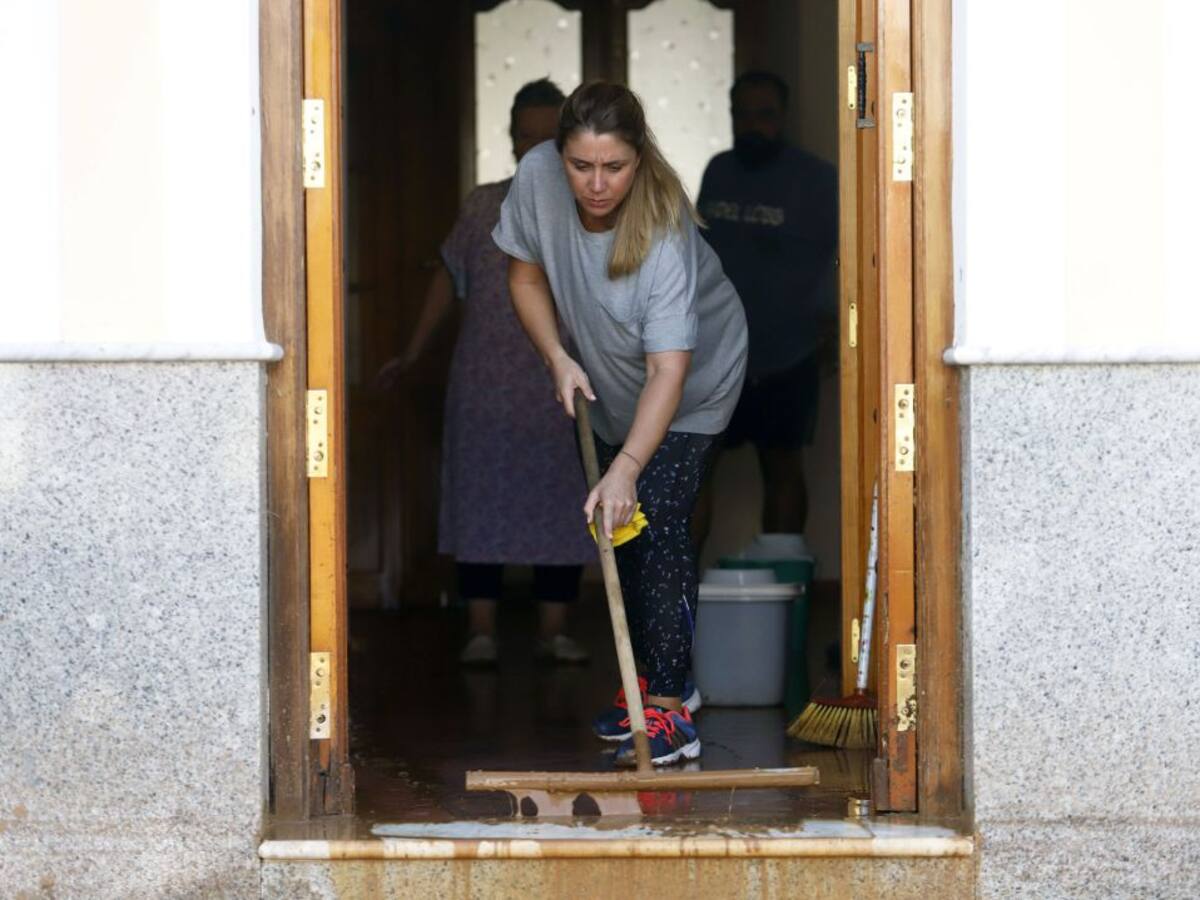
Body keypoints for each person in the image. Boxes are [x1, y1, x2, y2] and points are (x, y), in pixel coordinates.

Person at [493, 82, 748, 766]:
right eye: (582, 166)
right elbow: (524, 279)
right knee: (619, 525)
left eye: (615, 168)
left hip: (691, 389)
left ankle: (668, 709)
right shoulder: (538, 179)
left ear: (640, 159)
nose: (597, 184)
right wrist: (556, 358)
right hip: (606, 379)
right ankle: (652, 678)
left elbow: (670, 370)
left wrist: (628, 465)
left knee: (654, 514)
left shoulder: (663, 230)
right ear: (559, 153)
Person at [378, 79, 596, 667]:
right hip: (485, 382)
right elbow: (448, 280)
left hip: (562, 382)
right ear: (510, 139)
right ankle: (481, 629)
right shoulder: (481, 204)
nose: (534, 149)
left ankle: (555, 630)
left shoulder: (590, 206)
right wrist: (416, 352)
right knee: (480, 500)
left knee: (562, 500)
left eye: (547, 138)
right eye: (523, 137)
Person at [695, 71, 838, 536]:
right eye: (743, 115)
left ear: (784, 117)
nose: (753, 125)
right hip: (716, 352)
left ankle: (784, 594)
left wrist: (831, 324)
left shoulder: (817, 180)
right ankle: (678, 600)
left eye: (765, 115)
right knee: (694, 469)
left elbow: (845, 257)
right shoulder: (718, 170)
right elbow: (697, 253)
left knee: (782, 467)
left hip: (788, 352)